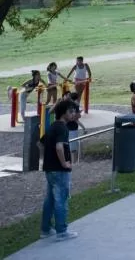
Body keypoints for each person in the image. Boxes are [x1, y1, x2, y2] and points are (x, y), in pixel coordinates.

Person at [40, 99, 78, 240]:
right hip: (59, 170)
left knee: (50, 199)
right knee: (61, 199)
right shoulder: (63, 128)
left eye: (74, 111)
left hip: (49, 169)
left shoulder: (52, 127)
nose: (73, 114)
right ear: (63, 113)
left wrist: (47, 159)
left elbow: (40, 144)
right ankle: (61, 231)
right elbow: (59, 147)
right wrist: (64, 163)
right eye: (71, 111)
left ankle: (45, 229)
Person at [65, 93, 85, 163]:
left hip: (70, 128)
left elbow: (76, 117)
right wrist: (83, 128)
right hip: (71, 128)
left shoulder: (71, 105)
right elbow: (77, 117)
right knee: (72, 147)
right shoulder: (74, 105)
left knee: (71, 147)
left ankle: (73, 162)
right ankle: (73, 162)